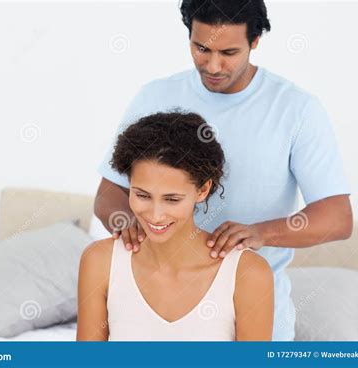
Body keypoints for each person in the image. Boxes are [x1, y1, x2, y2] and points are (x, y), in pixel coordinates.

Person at [94, 0, 353, 341]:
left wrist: (262, 233)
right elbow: (109, 194)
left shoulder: (296, 109)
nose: (213, 65)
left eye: (229, 52)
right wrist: (126, 223)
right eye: (201, 48)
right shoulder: (154, 96)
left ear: (255, 42)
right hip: (155, 315)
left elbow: (337, 217)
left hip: (255, 315)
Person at [77, 112, 274, 341]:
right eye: (142, 195)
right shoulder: (100, 261)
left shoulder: (248, 273)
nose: (155, 215)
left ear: (202, 190)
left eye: (172, 199)